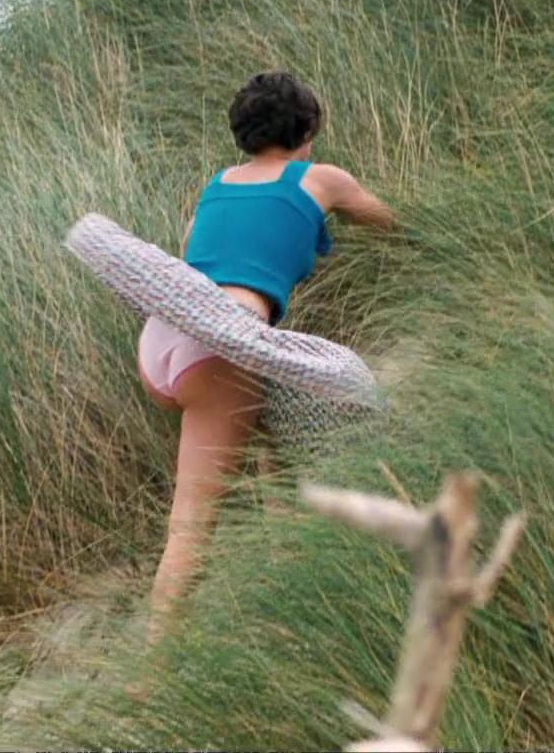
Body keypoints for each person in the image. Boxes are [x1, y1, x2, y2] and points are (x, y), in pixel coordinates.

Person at [134, 71, 394, 643]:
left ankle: (285, 576)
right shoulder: (320, 179)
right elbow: (394, 225)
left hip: (162, 340)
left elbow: (194, 259)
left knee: (267, 430)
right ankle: (149, 675)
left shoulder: (217, 185)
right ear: (307, 130)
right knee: (190, 530)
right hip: (219, 347)